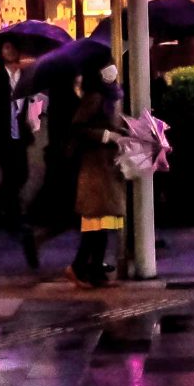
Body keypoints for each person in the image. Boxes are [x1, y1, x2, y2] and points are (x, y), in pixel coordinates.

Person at [69, 63, 128, 286]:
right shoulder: (95, 97)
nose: (112, 70)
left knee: (102, 223)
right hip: (95, 168)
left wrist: (121, 134)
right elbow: (78, 129)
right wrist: (107, 136)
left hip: (105, 168)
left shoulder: (111, 97)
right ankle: (81, 267)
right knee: (96, 222)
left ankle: (92, 267)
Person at [0, 50, 38, 269]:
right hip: (1, 135)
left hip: (20, 135)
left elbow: (30, 104)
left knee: (20, 173)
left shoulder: (25, 79)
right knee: (11, 174)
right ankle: (12, 215)